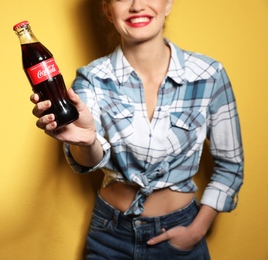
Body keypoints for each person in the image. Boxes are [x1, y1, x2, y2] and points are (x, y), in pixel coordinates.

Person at [30, 0, 244, 259]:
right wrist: (87, 142)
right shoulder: (91, 79)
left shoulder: (209, 74)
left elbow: (230, 165)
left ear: (168, 4)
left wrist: (196, 231)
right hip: (109, 236)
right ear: (108, 10)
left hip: (181, 233)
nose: (137, 5)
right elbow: (89, 158)